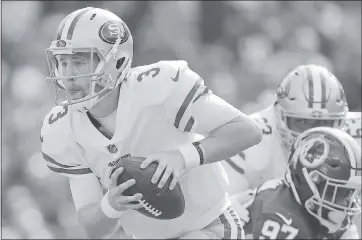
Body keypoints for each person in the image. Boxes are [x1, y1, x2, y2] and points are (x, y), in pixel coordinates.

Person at [40, 7, 262, 239]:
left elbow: (247, 131)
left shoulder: (158, 89)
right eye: (62, 62)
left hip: (210, 226)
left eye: (78, 62)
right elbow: (93, 228)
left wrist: (183, 157)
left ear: (115, 61)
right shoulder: (62, 128)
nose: (67, 74)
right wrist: (111, 205)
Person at [223, 64, 361, 195]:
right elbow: (221, 206)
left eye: (324, 123)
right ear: (279, 115)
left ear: (342, 121)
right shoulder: (249, 138)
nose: (314, 136)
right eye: (302, 122)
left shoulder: (355, 133)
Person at [237, 127, 362, 239]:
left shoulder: (304, 206)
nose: (347, 202)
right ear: (308, 181)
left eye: (350, 192)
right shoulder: (280, 219)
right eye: (338, 192)